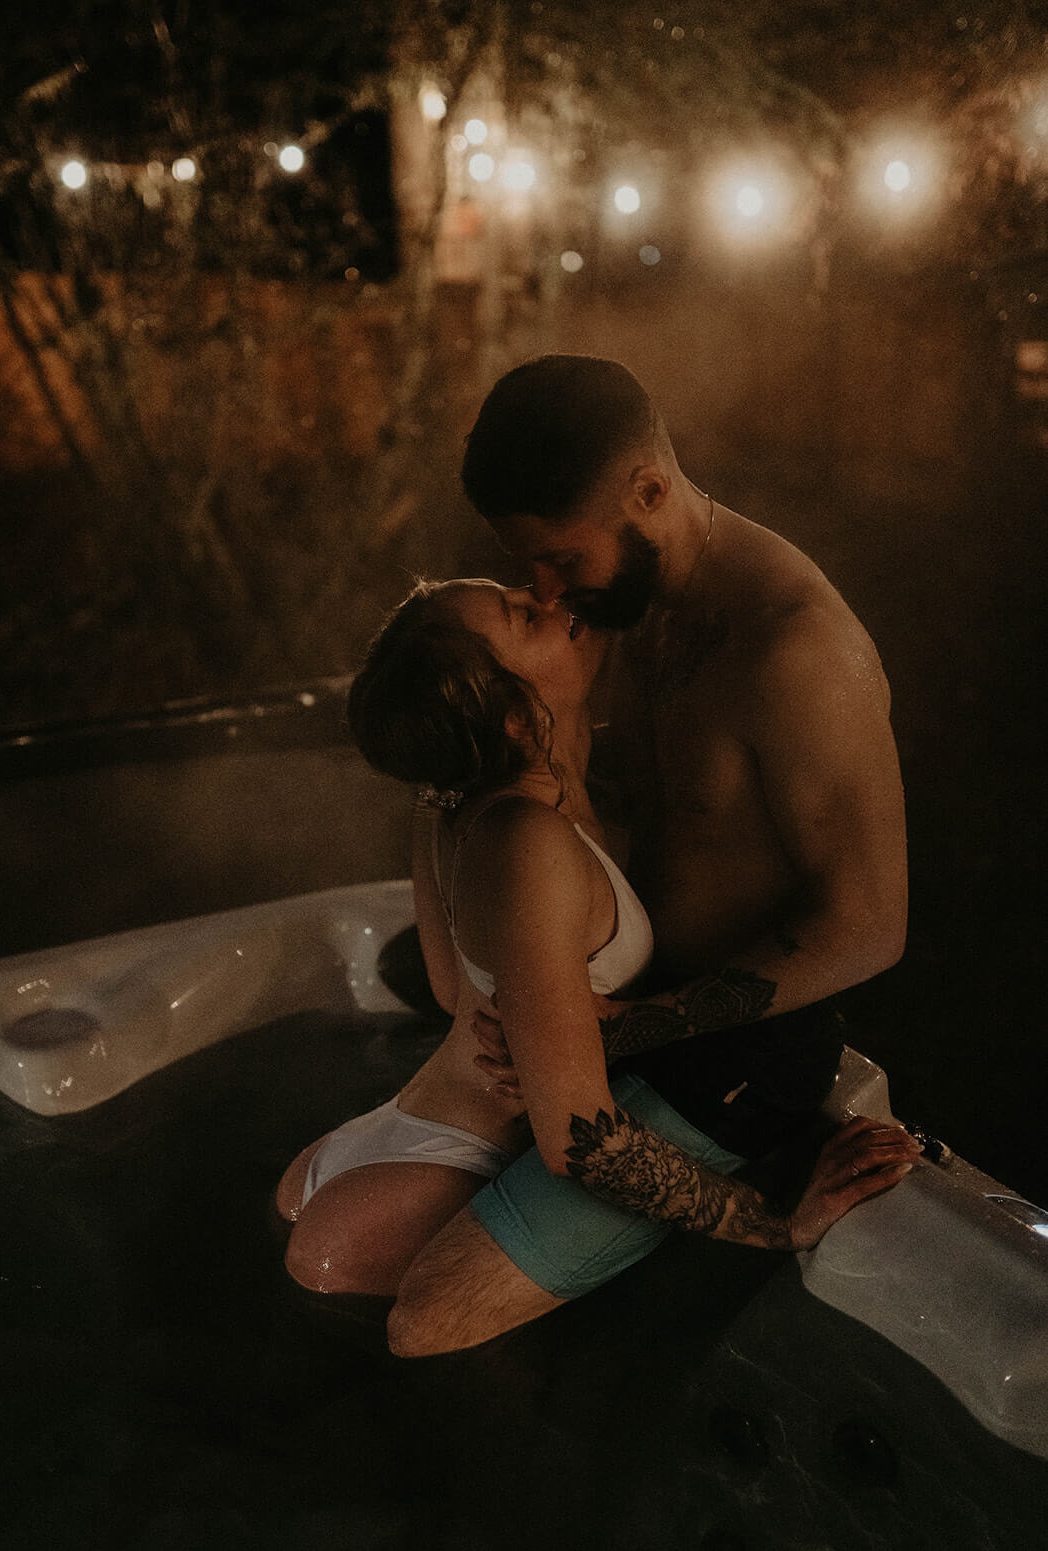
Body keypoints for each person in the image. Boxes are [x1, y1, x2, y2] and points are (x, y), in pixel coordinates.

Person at [383, 355, 911, 1356]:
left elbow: (869, 926)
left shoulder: (793, 651)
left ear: (649, 493)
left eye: (557, 561)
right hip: (616, 1003)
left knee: (427, 1311)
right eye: (525, 564)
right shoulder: (626, 603)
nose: (542, 590)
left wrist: (626, 1031)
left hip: (729, 1055)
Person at [275, 574, 918, 1337]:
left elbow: (454, 989)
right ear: (515, 714)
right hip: (427, 1175)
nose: (551, 601)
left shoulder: (456, 798)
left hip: (370, 1146)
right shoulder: (528, 843)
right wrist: (775, 1226)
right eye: (523, 616)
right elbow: (581, 1141)